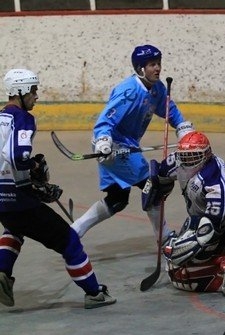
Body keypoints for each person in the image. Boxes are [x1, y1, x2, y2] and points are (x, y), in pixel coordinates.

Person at [0, 69, 115, 309]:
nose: (36, 95)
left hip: (3, 201)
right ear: (20, 91)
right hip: (18, 199)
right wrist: (33, 169)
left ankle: (2, 272)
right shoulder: (23, 118)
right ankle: (94, 293)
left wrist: (31, 184)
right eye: (33, 90)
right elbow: (17, 156)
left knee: (15, 229)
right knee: (69, 241)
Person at [71, 44, 194, 243]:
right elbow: (106, 120)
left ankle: (74, 231)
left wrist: (181, 126)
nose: (157, 68)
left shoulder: (157, 88)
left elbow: (168, 109)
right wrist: (103, 141)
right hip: (112, 146)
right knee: (153, 185)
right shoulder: (129, 91)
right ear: (140, 68)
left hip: (125, 146)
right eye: (152, 64)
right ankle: (164, 238)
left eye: (158, 63)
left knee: (117, 199)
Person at [142, 131, 225, 295]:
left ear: (206, 155)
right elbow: (160, 175)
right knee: (181, 251)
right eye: (184, 156)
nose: (188, 160)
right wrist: (158, 185)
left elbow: (209, 230)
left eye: (194, 156)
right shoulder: (178, 160)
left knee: (179, 273)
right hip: (211, 223)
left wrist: (178, 248)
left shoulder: (218, 185)